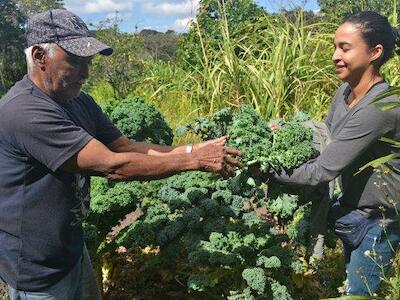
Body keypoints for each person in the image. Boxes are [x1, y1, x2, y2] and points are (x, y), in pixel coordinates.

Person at [0, 8, 242, 300]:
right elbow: (113, 166)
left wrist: (193, 148)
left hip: (71, 248)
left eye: (88, 62)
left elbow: (125, 147)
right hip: (36, 266)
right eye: (76, 62)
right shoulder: (24, 111)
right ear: (40, 57)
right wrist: (194, 161)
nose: (87, 73)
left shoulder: (78, 101)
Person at [268, 11, 400, 296]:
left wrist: (265, 168)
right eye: (334, 46)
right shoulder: (345, 92)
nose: (335, 56)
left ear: (375, 52)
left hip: (378, 221)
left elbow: (322, 171)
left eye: (345, 48)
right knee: (346, 282)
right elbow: (328, 137)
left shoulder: (380, 106)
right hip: (351, 207)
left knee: (358, 292)